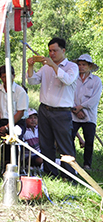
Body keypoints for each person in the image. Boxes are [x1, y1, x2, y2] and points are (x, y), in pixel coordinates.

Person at [26, 37, 79, 178]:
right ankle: (50, 173)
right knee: (45, 143)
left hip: (62, 112)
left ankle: (69, 175)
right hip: (45, 109)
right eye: (50, 51)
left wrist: (53, 66)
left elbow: (67, 80)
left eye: (55, 50)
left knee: (64, 145)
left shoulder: (72, 67)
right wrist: (30, 67)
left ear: (63, 50)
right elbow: (32, 81)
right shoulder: (45, 68)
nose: (52, 54)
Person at [72, 54, 102, 170]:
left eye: (84, 65)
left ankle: (87, 164)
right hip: (73, 113)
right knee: (69, 137)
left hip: (89, 115)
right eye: (79, 64)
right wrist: (75, 109)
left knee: (89, 140)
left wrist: (81, 107)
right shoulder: (73, 78)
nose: (81, 67)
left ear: (90, 66)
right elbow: (68, 94)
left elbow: (95, 99)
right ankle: (71, 161)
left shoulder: (96, 80)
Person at [0, 65, 29, 137]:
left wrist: (6, 127)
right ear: (0, 77)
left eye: (9, 76)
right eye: (4, 77)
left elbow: (20, 113)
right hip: (2, 121)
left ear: (14, 76)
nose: (7, 79)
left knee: (15, 134)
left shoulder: (20, 91)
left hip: (17, 122)